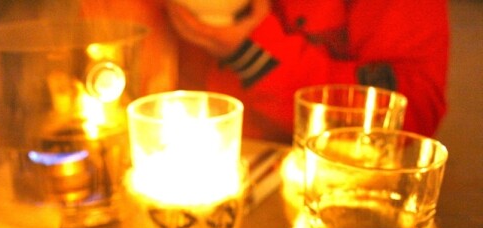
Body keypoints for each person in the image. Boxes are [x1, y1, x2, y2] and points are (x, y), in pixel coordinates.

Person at [80, 0, 449, 142]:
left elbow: (407, 112)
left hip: (325, 187)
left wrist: (253, 53)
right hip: (180, 174)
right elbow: (113, 104)